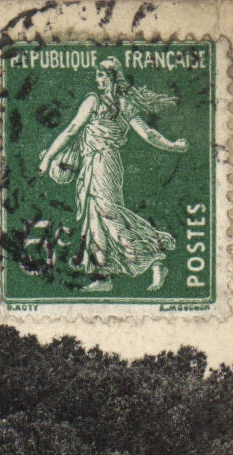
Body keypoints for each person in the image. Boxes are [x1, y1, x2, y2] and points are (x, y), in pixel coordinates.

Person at [37, 57, 188, 293]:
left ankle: (155, 258)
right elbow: (71, 130)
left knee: (108, 215)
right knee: (94, 219)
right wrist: (48, 158)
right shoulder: (98, 101)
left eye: (102, 76)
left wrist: (173, 146)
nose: (98, 80)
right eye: (97, 76)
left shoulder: (117, 104)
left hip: (105, 163)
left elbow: (147, 134)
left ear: (113, 78)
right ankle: (104, 275)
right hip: (91, 164)